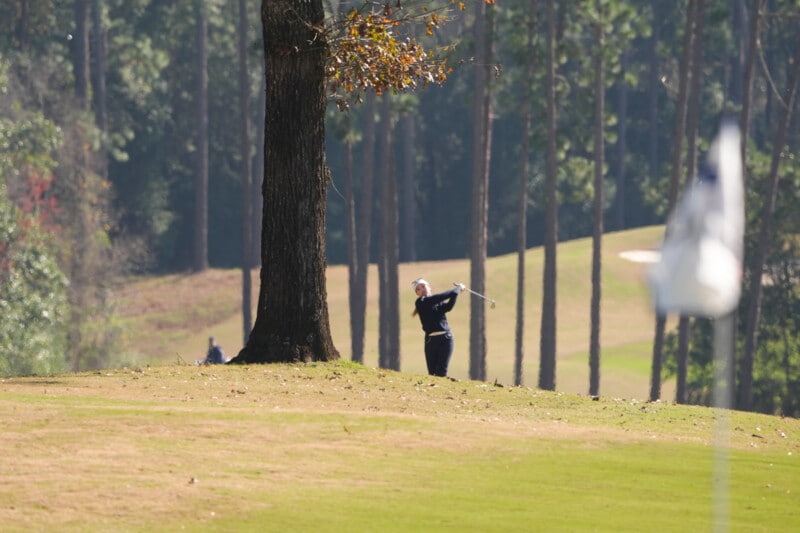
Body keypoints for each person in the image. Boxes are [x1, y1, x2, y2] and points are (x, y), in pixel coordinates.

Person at [411, 278, 465, 378]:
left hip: (446, 339)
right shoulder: (420, 302)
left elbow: (448, 307)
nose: (421, 289)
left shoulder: (436, 302)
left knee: (441, 372)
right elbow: (437, 298)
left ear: (429, 287)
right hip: (430, 341)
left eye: (423, 286)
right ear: (417, 294)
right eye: (418, 289)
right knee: (431, 373)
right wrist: (455, 291)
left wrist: (455, 293)